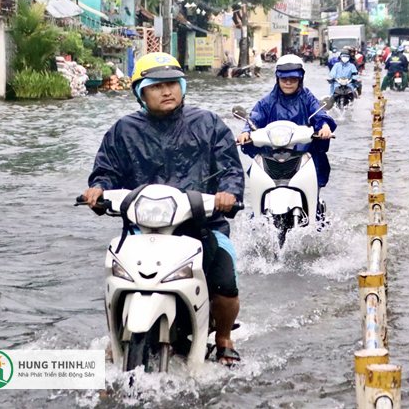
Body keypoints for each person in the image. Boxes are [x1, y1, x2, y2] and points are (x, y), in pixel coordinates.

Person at [82, 52, 245, 366]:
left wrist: (229, 194)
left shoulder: (208, 124)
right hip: (140, 230)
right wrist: (98, 189)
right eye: (157, 85)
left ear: (182, 86)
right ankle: (117, 335)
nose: (167, 91)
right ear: (141, 93)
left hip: (202, 225)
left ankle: (224, 338)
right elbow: (106, 170)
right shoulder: (123, 130)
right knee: (115, 279)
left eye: (173, 83)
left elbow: (230, 169)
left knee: (225, 282)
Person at [236, 54, 336, 219]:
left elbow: (319, 114)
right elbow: (254, 118)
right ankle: (258, 220)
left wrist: (324, 127)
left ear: (300, 78)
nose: (288, 82)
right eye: (284, 79)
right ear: (277, 79)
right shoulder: (267, 101)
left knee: (315, 193)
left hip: (302, 154)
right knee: (256, 207)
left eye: (292, 79)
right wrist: (246, 132)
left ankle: (315, 217)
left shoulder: (307, 98)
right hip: (271, 155)